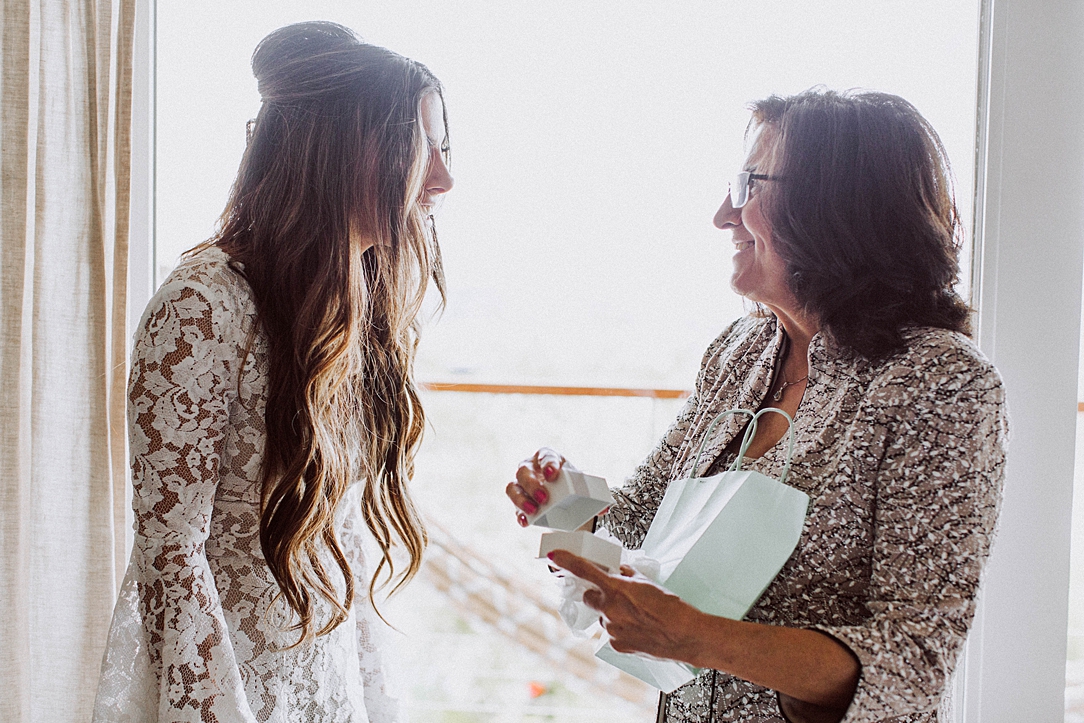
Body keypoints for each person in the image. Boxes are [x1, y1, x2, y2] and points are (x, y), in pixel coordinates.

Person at [506, 89, 1007, 723]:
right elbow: (644, 526)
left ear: (837, 207)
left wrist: (696, 637)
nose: (722, 215)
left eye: (748, 185)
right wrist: (568, 502)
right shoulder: (741, 349)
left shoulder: (942, 383)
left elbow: (909, 665)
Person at [92, 21, 453, 723]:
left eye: (444, 145)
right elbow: (172, 562)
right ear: (336, 149)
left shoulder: (349, 303)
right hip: (224, 695)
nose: (442, 175)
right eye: (419, 145)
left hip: (325, 685)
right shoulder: (201, 306)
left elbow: (340, 537)